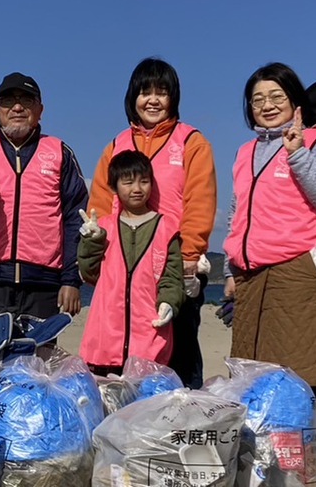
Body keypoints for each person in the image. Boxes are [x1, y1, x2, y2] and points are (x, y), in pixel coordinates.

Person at [221, 62, 316, 487]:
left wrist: (297, 153)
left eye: (276, 97)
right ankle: (266, 455)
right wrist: (230, 269)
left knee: (308, 371)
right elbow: (238, 215)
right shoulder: (244, 152)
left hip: (299, 271)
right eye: (258, 99)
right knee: (255, 373)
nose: (267, 105)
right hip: (252, 274)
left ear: (294, 101)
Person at [86, 57, 217, 388]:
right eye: (145, 92)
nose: (153, 100)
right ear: (133, 97)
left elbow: (200, 202)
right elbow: (99, 207)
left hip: (174, 265)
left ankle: (181, 427)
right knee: (122, 355)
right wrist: (95, 254)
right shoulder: (116, 145)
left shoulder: (191, 142)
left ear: (174, 98)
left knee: (179, 352)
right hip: (124, 269)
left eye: (162, 92)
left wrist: (189, 258)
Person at [0, 72, 88, 326]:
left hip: (43, 283)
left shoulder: (60, 153)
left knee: (38, 363)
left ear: (40, 109)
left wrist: (71, 280)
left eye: (26, 100)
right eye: (8, 101)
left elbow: (76, 219)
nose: (17, 107)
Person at [77, 150, 184, 376]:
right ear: (114, 188)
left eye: (144, 181)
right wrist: (91, 241)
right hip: (105, 338)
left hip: (148, 336)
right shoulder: (103, 227)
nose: (137, 189)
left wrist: (168, 302)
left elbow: (172, 276)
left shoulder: (167, 228)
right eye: (128, 182)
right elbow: (89, 273)